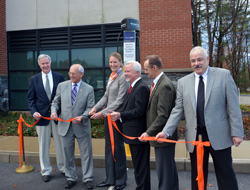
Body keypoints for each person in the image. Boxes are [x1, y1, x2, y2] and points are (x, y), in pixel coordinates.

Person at [156, 46, 244, 190]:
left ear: (207, 59)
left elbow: (233, 106)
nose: (196, 63)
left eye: (200, 59)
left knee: (226, 175)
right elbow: (178, 109)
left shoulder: (224, 75)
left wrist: (237, 132)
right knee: (198, 176)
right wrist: (166, 131)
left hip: (219, 135)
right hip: (195, 138)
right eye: (193, 61)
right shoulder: (183, 83)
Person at [50, 64, 95, 189]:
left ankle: (88, 178)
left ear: (81, 74)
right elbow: (55, 102)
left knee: (86, 153)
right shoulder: (62, 86)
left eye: (74, 73)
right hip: (65, 125)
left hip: (82, 125)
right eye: (70, 73)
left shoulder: (89, 89)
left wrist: (83, 117)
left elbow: (91, 107)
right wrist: (53, 111)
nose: (71, 75)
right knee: (68, 153)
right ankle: (71, 177)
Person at [139, 55, 179, 190]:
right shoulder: (159, 83)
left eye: (146, 69)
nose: (145, 72)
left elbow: (163, 115)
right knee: (168, 169)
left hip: (162, 136)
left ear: (154, 67)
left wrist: (148, 132)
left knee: (164, 172)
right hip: (159, 135)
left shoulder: (164, 85)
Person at [110, 61, 151, 190]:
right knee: (138, 165)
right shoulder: (133, 86)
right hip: (133, 134)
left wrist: (120, 115)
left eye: (128, 71)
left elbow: (139, 110)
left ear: (137, 73)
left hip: (138, 134)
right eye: (125, 71)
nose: (125, 74)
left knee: (141, 166)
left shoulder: (141, 87)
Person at [89, 52, 127, 190]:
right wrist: (95, 108)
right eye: (110, 62)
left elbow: (120, 100)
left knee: (117, 149)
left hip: (115, 118)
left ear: (120, 62)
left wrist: (101, 113)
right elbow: (105, 97)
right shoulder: (111, 76)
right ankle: (110, 179)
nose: (112, 65)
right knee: (109, 149)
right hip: (108, 118)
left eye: (115, 62)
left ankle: (121, 180)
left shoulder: (122, 77)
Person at [27, 54, 65, 182]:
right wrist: (33, 112)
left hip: (57, 116)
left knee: (60, 144)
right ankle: (46, 171)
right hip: (41, 117)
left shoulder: (60, 77)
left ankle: (63, 168)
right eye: (43, 63)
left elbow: (63, 98)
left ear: (50, 62)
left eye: (47, 63)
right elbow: (31, 99)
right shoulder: (34, 79)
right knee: (43, 145)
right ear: (39, 65)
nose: (45, 65)